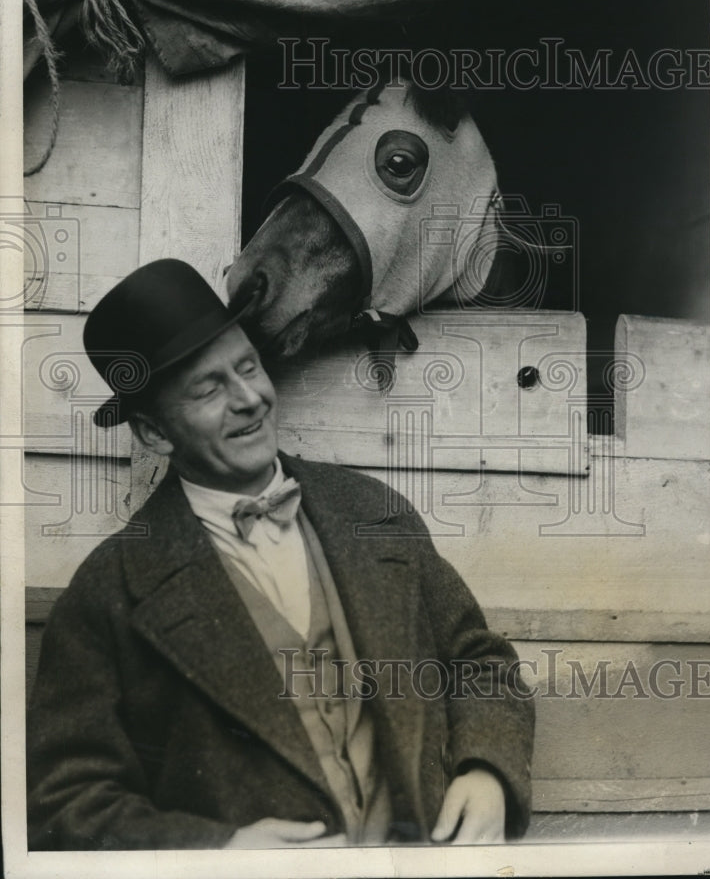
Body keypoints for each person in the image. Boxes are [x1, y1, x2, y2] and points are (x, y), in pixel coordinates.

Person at [27, 258, 535, 851]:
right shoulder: (107, 591)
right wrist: (218, 852)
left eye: (248, 366)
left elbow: (479, 663)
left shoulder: (374, 513)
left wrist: (487, 773)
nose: (249, 399)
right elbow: (65, 800)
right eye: (209, 388)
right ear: (155, 434)